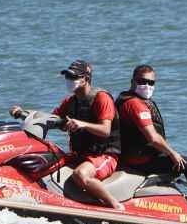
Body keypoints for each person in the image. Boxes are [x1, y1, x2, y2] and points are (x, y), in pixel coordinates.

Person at [10, 60, 124, 210]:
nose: (70, 81)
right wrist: (23, 114)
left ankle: (115, 206)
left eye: (74, 77)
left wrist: (82, 124)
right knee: (44, 162)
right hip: (80, 154)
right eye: (68, 77)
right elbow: (51, 118)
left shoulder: (102, 98)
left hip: (105, 156)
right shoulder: (70, 101)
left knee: (80, 175)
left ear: (86, 79)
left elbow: (105, 130)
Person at [115, 64, 187, 206]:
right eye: (142, 81)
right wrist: (173, 154)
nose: (146, 85)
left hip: (133, 156)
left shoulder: (125, 98)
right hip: (140, 161)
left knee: (177, 161)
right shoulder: (135, 104)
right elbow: (153, 138)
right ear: (133, 81)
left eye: (151, 82)